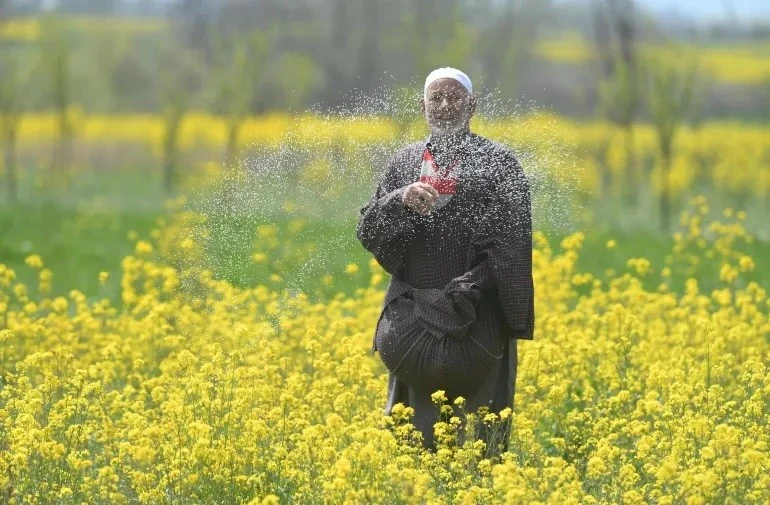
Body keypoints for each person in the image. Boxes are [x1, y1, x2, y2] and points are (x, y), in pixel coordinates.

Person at [356, 67, 534, 456]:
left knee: (478, 448)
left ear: (473, 105)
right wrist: (400, 200)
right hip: (416, 321)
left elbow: (511, 247)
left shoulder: (499, 164)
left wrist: (467, 289)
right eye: (436, 98)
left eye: (454, 97)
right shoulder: (404, 164)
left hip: (478, 318)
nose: (445, 105)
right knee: (414, 449)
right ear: (422, 106)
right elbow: (368, 230)